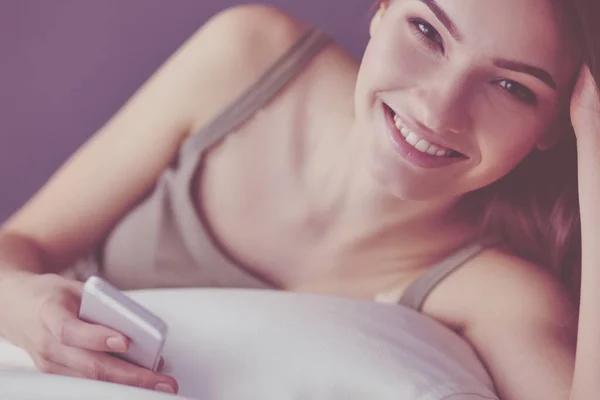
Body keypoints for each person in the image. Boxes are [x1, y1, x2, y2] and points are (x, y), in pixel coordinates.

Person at [0, 0, 599, 398]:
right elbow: (19, 246)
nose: (439, 108)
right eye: (427, 31)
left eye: (510, 87)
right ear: (383, 8)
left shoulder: (497, 293)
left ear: (556, 128)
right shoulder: (250, 56)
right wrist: (23, 306)